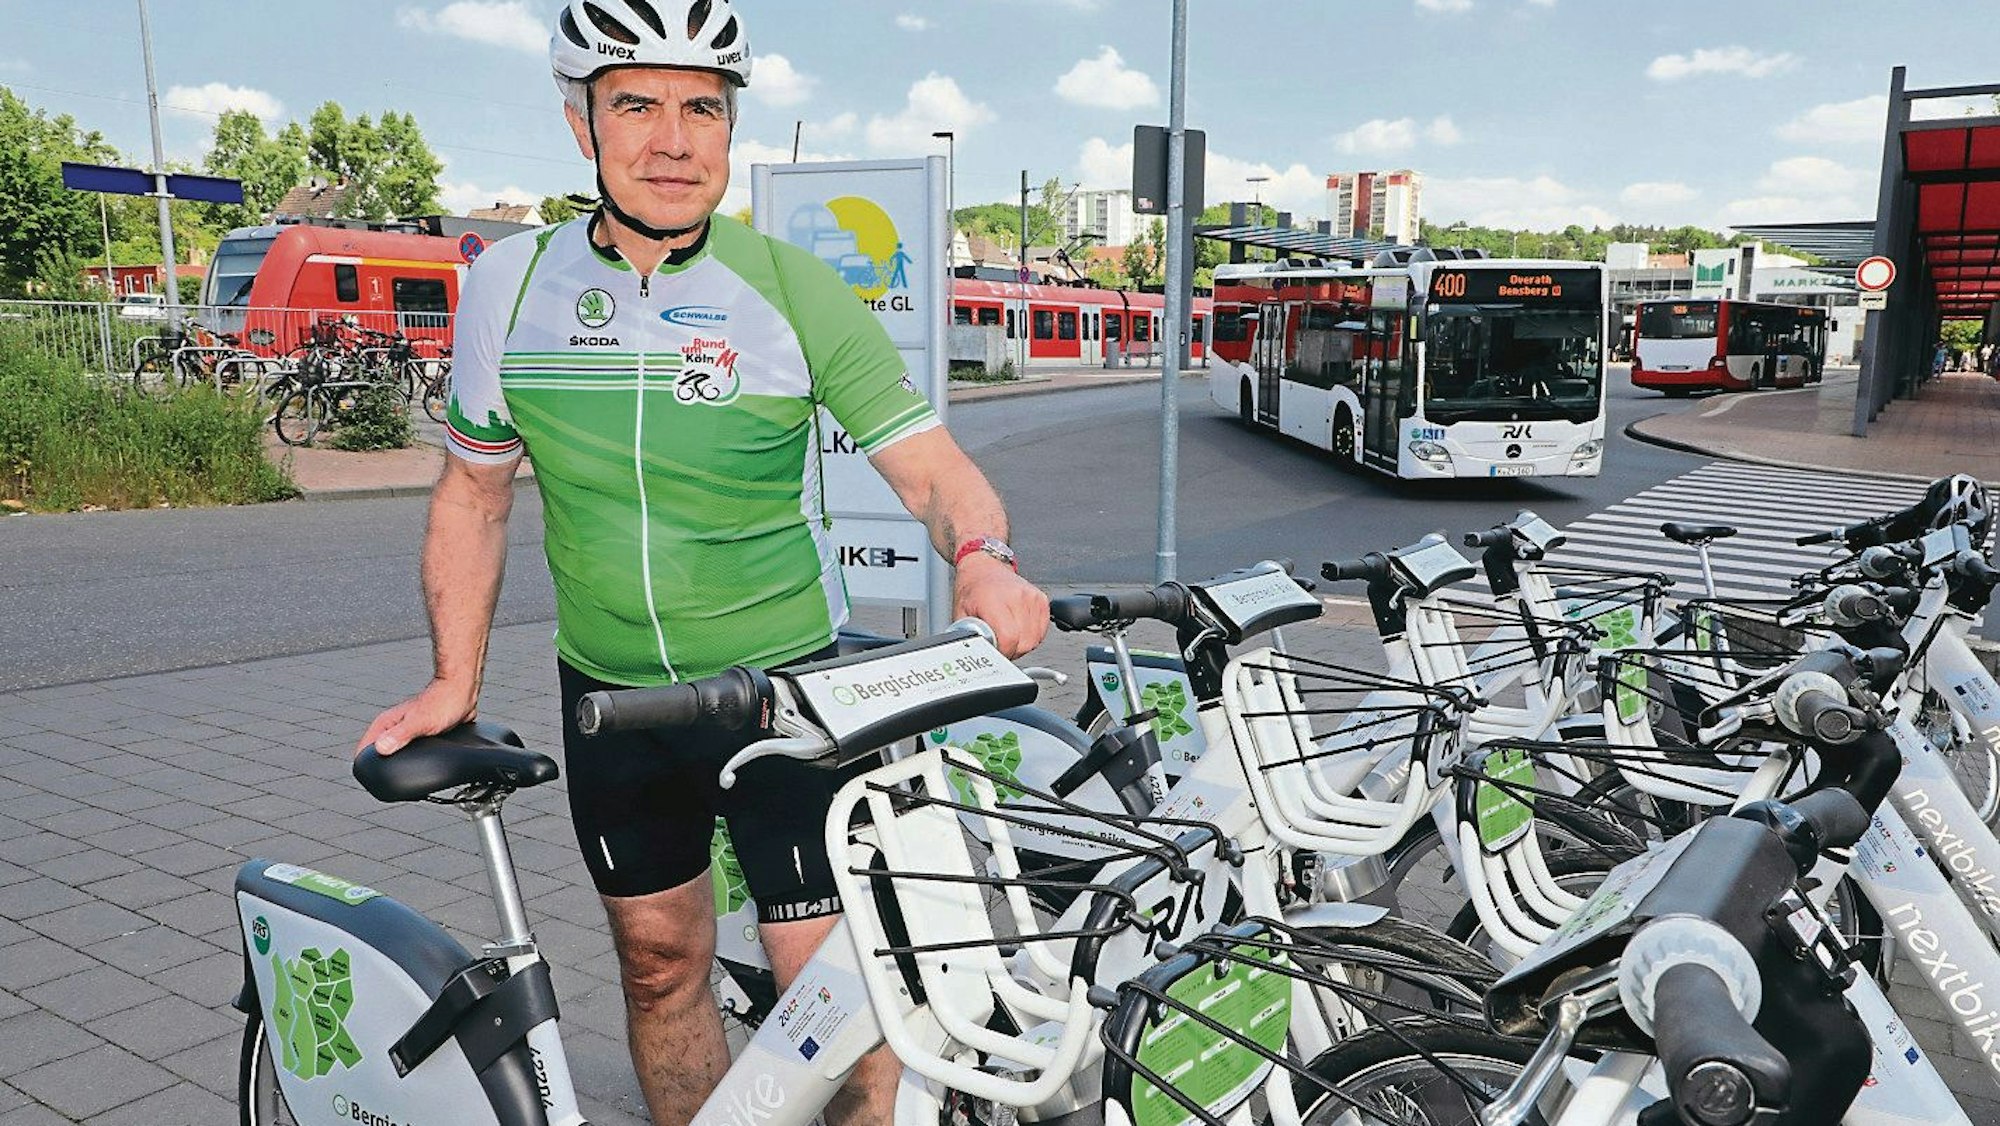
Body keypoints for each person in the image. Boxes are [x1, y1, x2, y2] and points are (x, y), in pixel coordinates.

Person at [356, 3, 1050, 1122]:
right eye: (637, 104)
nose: (673, 140)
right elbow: (474, 494)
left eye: (702, 108)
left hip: (784, 694)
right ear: (582, 124)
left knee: (830, 995)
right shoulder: (510, 287)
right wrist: (455, 681)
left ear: (729, 127)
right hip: (613, 698)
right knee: (657, 962)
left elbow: (930, 469)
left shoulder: (790, 286)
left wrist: (981, 557)